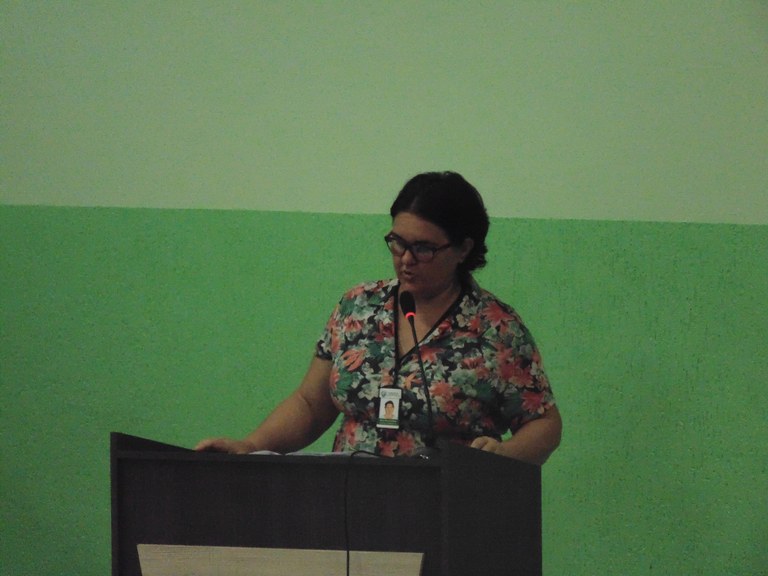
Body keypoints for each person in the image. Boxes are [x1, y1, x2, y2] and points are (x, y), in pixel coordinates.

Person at [196, 171, 562, 464]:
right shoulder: (358, 306)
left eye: (423, 248)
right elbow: (310, 405)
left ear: (463, 248)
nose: (406, 259)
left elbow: (544, 424)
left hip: (444, 506)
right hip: (348, 505)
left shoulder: (496, 328)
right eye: (397, 243)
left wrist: (504, 455)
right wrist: (251, 446)